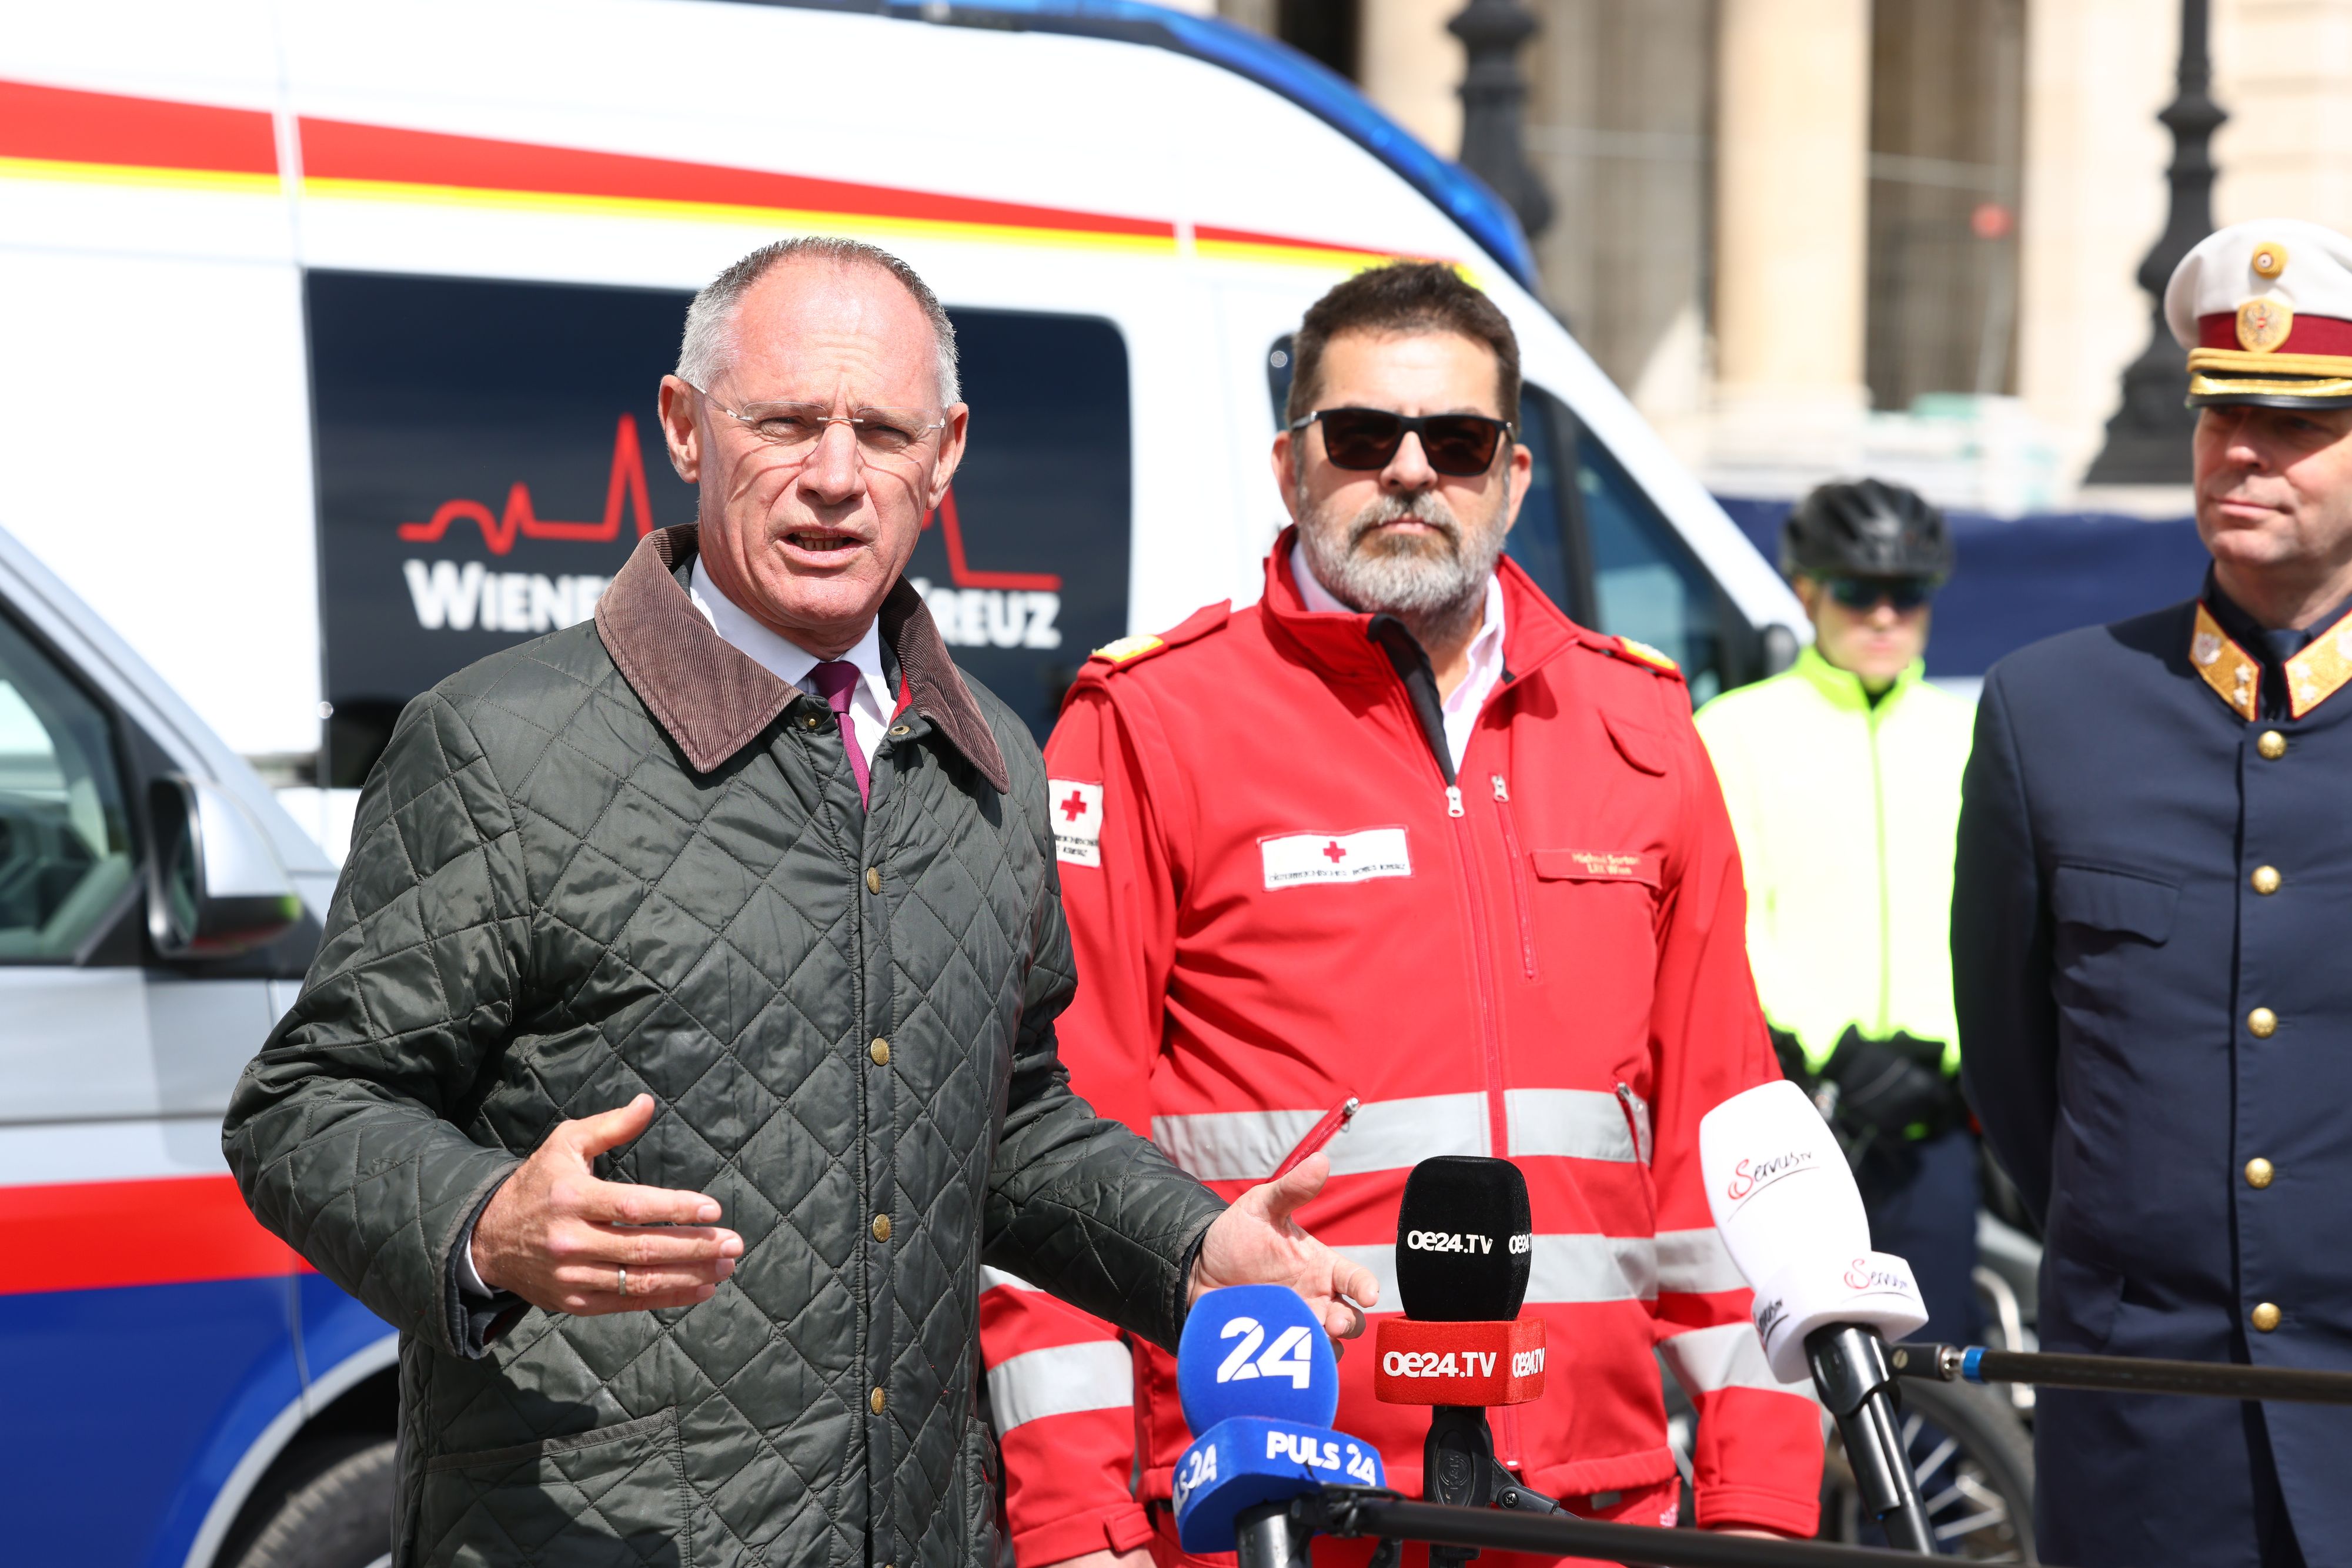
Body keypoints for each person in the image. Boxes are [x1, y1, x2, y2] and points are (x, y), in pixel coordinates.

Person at [221, 236, 1376, 1568]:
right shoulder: (500, 745)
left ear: (943, 456)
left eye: (881, 432)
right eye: (783, 423)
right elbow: (303, 1104)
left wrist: (1191, 1245)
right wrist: (484, 1228)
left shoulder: (990, 764)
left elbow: (1003, 1117)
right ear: (684, 429)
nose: (834, 476)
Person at [978, 262, 1822, 1568]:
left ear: (1514, 478)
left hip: (1590, 1513)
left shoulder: (1640, 725)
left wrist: (1760, 1503)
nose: (1413, 471)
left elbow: (1727, 1152)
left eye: (1458, 441)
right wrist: (1076, 1526)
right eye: (1364, 435)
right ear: (1289, 466)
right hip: (1268, 1507)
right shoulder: (1151, 721)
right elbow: (1053, 1148)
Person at [1955, 218, 2352, 1568]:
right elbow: (2020, 1073)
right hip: (2146, 1435)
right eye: (2221, 413)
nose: (2241, 451)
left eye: (2294, 424)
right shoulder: (2049, 709)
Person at [1692, 479, 1979, 1347]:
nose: (1885, 614)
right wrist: (1831, 1048)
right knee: (1786, 1378)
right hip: (1798, 1109)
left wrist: (1954, 1050)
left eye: (1909, 593)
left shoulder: (1970, 732)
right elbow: (1730, 908)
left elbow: (1994, 915)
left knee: (1934, 1374)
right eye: (1858, 590)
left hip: (1933, 1113)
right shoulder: (1733, 730)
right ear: (1807, 589)